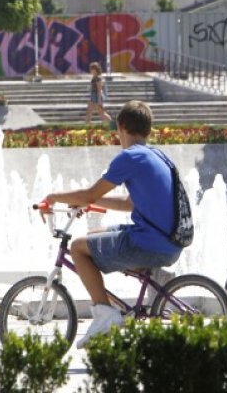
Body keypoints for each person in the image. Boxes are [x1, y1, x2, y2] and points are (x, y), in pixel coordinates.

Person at [41, 100, 183, 348]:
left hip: (150, 244)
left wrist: (54, 197)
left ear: (121, 126)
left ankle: (105, 314)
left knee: (77, 248)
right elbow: (130, 203)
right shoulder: (156, 155)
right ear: (148, 129)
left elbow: (88, 194)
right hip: (167, 240)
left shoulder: (130, 157)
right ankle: (121, 304)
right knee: (93, 235)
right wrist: (92, 203)